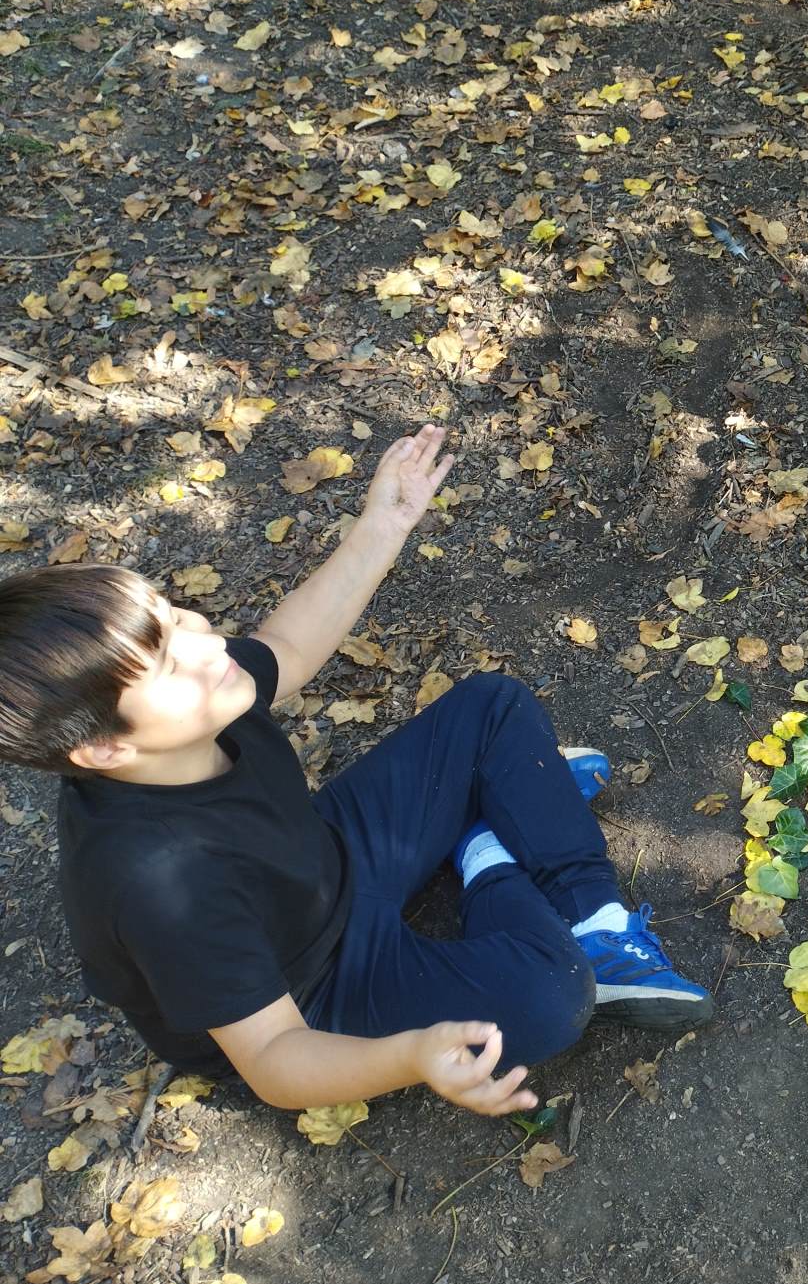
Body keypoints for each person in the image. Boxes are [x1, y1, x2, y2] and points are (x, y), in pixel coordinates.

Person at [0, 426, 711, 1118]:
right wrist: (410, 1056)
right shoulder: (158, 885)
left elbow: (287, 646)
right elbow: (274, 1057)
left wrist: (383, 525)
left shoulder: (205, 696)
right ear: (103, 749)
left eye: (173, 616)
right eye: (167, 662)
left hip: (329, 860)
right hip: (315, 993)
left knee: (492, 708)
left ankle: (591, 914)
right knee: (549, 998)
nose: (206, 641)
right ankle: (489, 851)